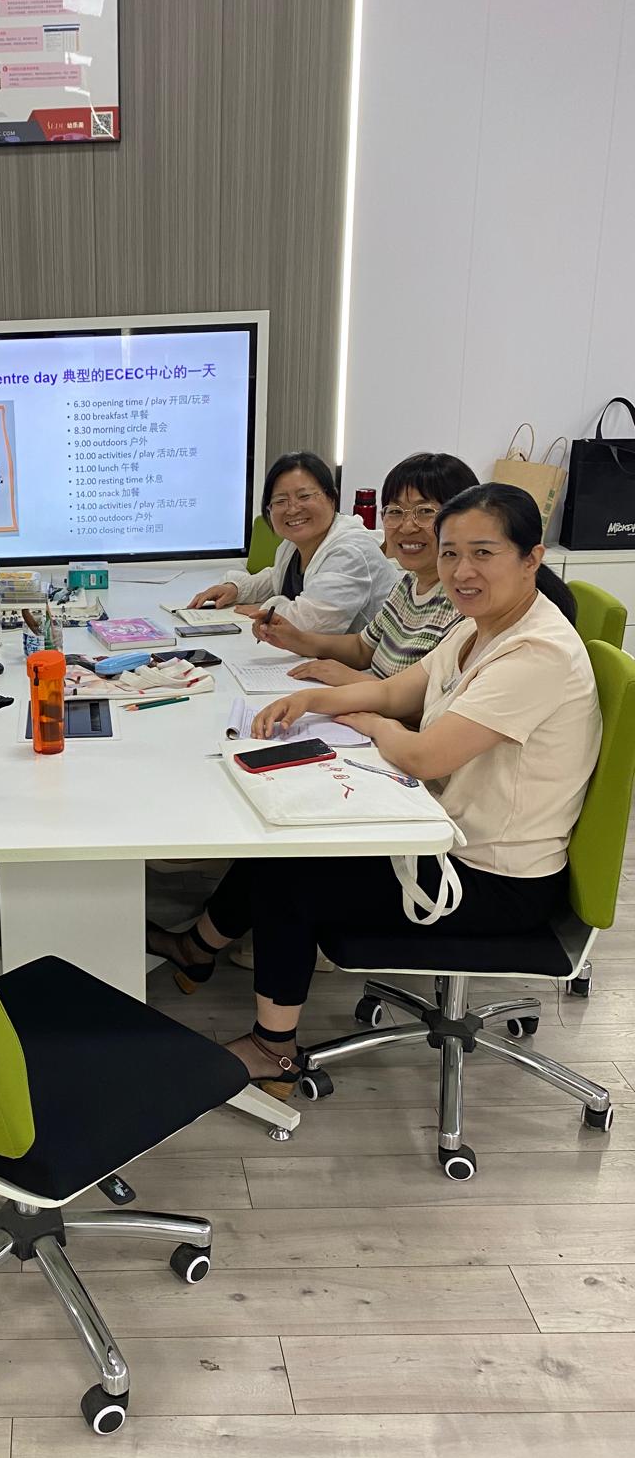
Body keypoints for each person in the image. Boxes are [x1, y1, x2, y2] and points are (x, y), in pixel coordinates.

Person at [148, 484, 600, 1100]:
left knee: (291, 877)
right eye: (450, 554)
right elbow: (397, 691)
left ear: (532, 558)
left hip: (493, 877)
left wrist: (364, 722)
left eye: (483, 553)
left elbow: (423, 750)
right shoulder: (477, 628)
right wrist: (315, 700)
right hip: (443, 833)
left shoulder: (537, 652)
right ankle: (198, 947)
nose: (462, 571)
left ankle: (273, 1051)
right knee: (282, 842)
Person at [252, 452, 473, 686]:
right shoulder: (408, 585)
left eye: (425, 511)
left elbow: (439, 701)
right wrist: (297, 640)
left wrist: (356, 682)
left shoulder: (466, 603)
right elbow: (362, 647)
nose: (407, 527)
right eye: (395, 512)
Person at [188, 451, 401, 632]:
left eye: (305, 496)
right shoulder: (294, 544)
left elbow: (312, 625)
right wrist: (237, 589)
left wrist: (267, 608)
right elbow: (277, 578)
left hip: (371, 669)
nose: (292, 509)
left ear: (331, 498)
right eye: (280, 501)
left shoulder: (351, 551)